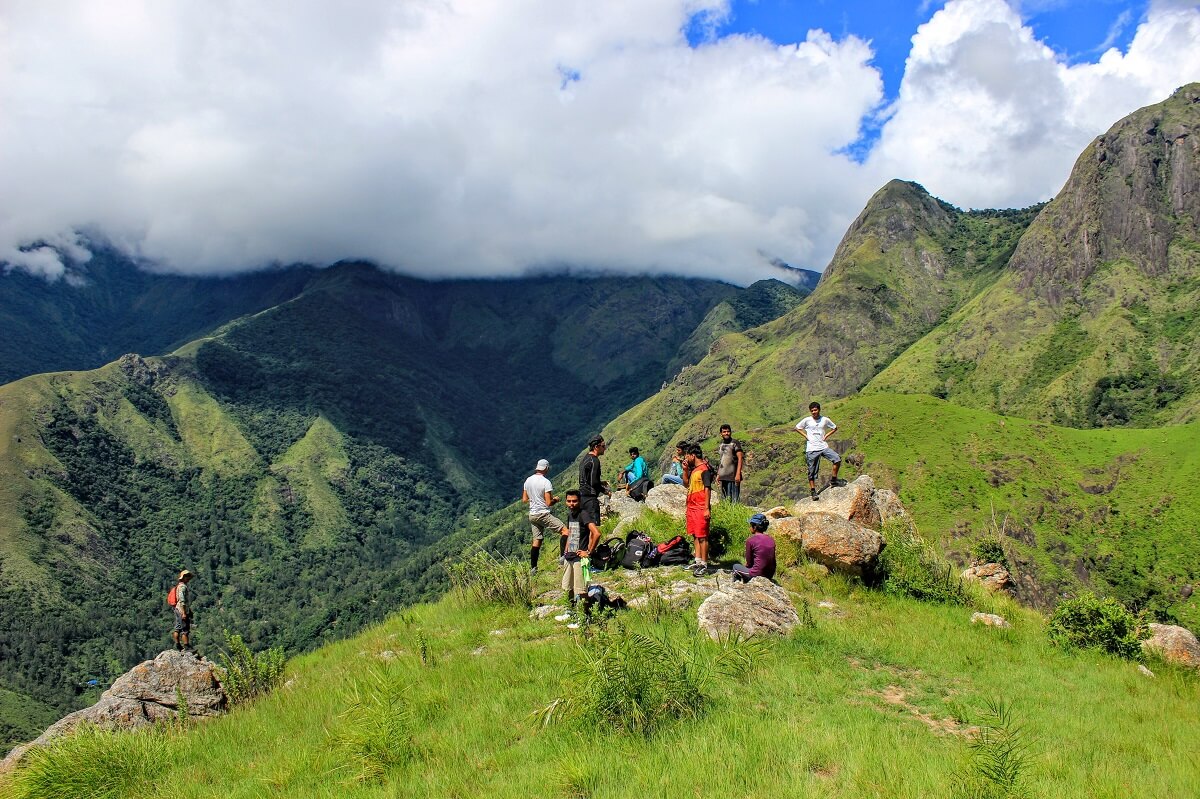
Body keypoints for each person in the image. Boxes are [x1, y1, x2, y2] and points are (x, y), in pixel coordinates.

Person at [561, 490, 601, 624]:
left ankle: (584, 617)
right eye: (569, 501)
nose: (571, 504)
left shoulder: (583, 514)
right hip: (570, 557)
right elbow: (571, 533)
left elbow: (596, 533)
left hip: (580, 559)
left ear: (580, 501)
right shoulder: (570, 514)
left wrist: (588, 552)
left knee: (581, 590)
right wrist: (566, 551)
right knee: (568, 587)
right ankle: (570, 612)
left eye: (574, 501)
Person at [522, 459, 564, 574]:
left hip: (532, 515)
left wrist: (535, 499)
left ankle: (533, 568)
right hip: (543, 514)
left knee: (537, 540)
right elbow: (549, 503)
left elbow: (525, 499)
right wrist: (556, 499)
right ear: (546, 468)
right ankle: (563, 558)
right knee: (566, 532)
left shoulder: (528, 480)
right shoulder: (546, 482)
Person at [795, 401, 843, 501]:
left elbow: (834, 428)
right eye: (812, 410)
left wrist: (826, 436)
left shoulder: (825, 420)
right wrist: (806, 436)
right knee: (811, 472)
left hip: (823, 446)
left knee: (837, 459)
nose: (814, 412)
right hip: (811, 449)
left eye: (815, 410)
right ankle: (813, 491)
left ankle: (833, 480)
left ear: (819, 410)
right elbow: (797, 428)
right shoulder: (807, 420)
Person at [684, 444, 713, 573]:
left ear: (693, 455)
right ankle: (697, 561)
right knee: (695, 535)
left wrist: (707, 508)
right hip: (692, 506)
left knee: (703, 536)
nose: (686, 458)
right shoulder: (694, 470)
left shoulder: (704, 469)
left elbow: (707, 488)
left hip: (701, 506)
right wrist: (685, 469)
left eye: (687, 455)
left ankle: (704, 564)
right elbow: (686, 483)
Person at [732, 513, 776, 583]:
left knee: (735, 567)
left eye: (750, 525)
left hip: (757, 574)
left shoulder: (750, 541)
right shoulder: (771, 539)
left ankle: (735, 587)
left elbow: (749, 563)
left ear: (754, 527)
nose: (749, 527)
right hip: (770, 575)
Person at [579, 436, 610, 523]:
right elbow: (594, 483)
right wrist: (605, 491)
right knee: (594, 529)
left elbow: (586, 479)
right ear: (596, 447)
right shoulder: (594, 460)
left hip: (581, 497)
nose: (605, 448)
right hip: (590, 499)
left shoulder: (585, 458)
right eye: (603, 446)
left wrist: (600, 482)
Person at [715, 424, 745, 503]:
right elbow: (721, 460)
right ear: (721, 434)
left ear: (731, 432)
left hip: (733, 476)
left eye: (728, 431)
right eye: (724, 432)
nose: (726, 433)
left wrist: (738, 474)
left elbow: (740, 458)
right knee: (726, 499)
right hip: (723, 476)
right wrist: (718, 474)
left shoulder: (735, 443)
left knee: (734, 500)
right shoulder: (721, 445)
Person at [171, 569, 195, 652]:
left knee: (177, 628)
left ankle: (178, 645)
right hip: (181, 610)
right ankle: (186, 646)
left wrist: (189, 610)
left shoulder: (179, 586)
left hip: (177, 609)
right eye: (188, 577)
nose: (189, 579)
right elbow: (182, 601)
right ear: (184, 577)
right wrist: (184, 613)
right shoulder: (183, 587)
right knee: (185, 629)